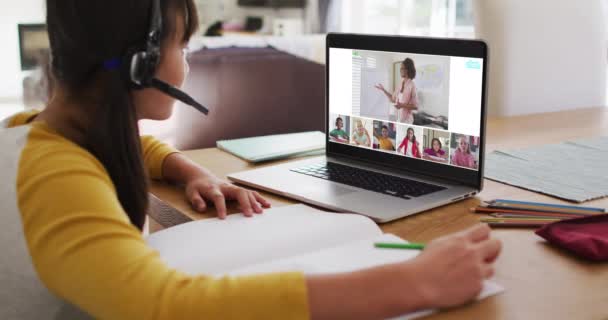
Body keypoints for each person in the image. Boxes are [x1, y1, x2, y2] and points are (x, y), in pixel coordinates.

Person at [0, 1, 501, 319]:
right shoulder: (57, 178)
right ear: (141, 64)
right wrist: (413, 282)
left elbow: (125, 145)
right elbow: (162, 307)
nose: (189, 60)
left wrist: (185, 167)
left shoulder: (36, 132)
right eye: (184, 44)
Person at [374, 58, 419, 124]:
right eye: (400, 68)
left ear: (407, 70)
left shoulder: (412, 85)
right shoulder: (400, 83)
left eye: (402, 68)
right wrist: (383, 90)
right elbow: (393, 99)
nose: (400, 70)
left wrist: (402, 105)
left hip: (407, 120)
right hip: (398, 118)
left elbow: (415, 106)